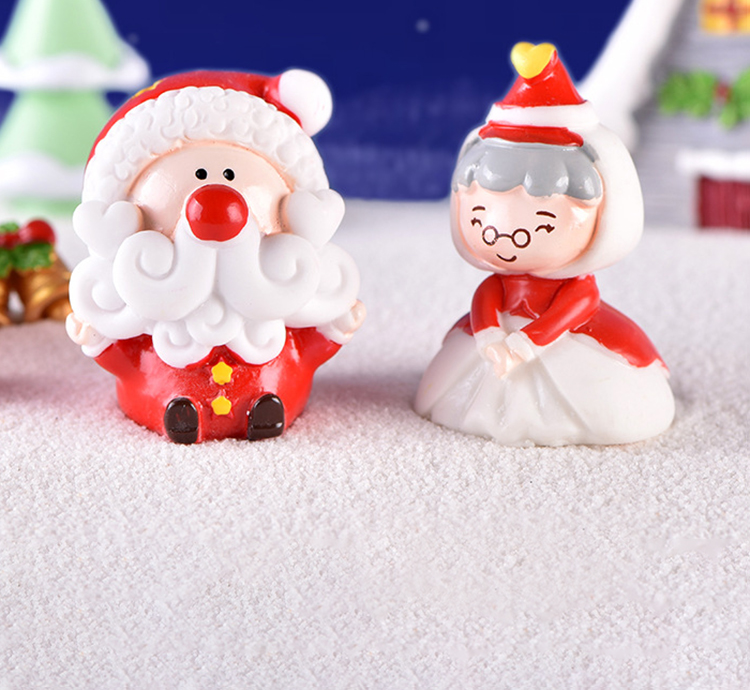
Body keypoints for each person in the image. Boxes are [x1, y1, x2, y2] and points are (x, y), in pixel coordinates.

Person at [67, 68, 365, 444]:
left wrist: (333, 329)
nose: (219, 209)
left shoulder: (281, 311)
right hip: (159, 391)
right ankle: (178, 410)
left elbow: (307, 348)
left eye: (229, 176)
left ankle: (264, 404)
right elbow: (126, 358)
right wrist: (99, 339)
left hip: (275, 386)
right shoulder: (143, 311)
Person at [415, 42, 674, 446]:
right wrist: (489, 339)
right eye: (480, 217)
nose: (504, 237)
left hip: (553, 342)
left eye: (541, 224)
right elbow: (486, 301)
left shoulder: (578, 289)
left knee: (609, 404)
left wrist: (525, 344)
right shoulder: (498, 284)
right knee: (454, 386)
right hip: (496, 345)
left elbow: (572, 310)